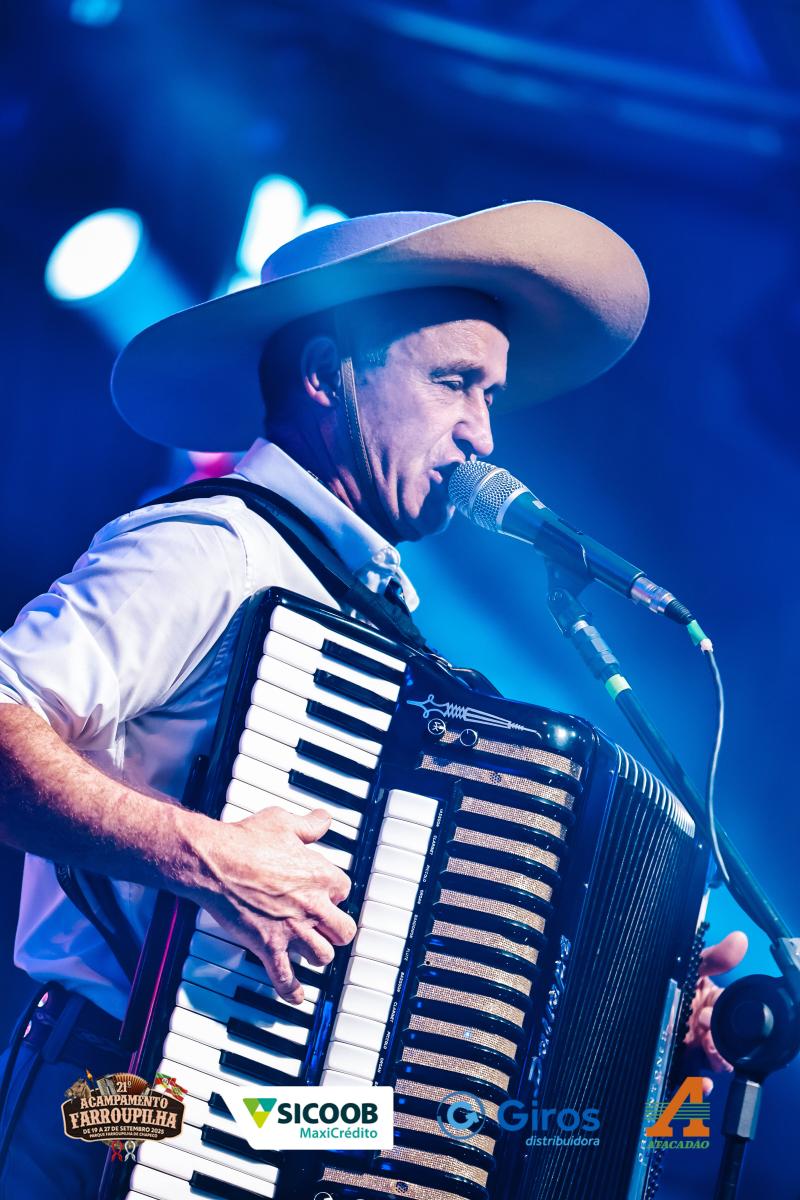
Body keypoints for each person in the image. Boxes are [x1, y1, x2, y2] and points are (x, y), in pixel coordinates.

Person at [0, 204, 746, 1196]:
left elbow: (421, 1043)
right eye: (452, 382)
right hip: (110, 1099)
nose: (481, 433)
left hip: (265, 1118)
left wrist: (642, 1044)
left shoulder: (371, 614)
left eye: (490, 395)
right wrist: (208, 858)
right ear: (328, 374)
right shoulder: (212, 549)